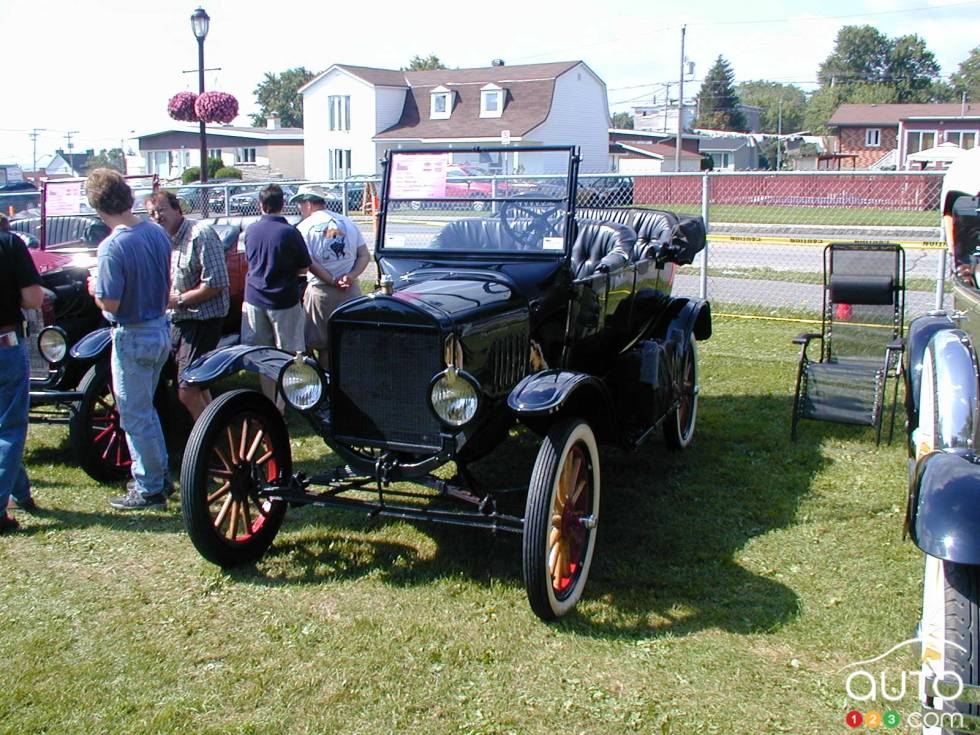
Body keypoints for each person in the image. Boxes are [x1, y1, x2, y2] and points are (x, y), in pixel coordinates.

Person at [88, 169, 172, 510]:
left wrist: (95, 289)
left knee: (135, 415)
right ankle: (158, 474)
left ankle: (150, 486)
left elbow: (110, 303)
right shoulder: (156, 232)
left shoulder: (112, 246)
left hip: (133, 333)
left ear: (98, 207)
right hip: (159, 327)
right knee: (146, 411)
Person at [145, 190, 230, 420]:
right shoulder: (163, 240)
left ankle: (207, 445)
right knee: (193, 383)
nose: (157, 216)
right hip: (177, 320)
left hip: (203, 319)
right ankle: (219, 428)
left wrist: (178, 300)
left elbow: (217, 284)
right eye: (152, 212)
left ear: (177, 209)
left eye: (161, 209)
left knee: (188, 390)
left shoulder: (200, 234)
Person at [241, 185, 311, 408]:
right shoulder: (290, 232)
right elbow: (304, 267)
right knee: (288, 354)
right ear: (283, 204)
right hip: (283, 300)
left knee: (263, 355)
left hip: (254, 298)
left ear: (261, 205)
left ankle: (270, 404)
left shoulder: (251, 230)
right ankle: (283, 405)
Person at [289, 185, 370, 367]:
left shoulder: (303, 228)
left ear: (308, 203)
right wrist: (350, 275)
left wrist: (331, 280)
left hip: (322, 292)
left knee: (324, 344)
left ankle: (327, 382)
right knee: (348, 340)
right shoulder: (348, 223)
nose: (300, 209)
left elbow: (309, 262)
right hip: (351, 290)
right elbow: (364, 255)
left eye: (300, 204)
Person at [0, 213, 43, 533]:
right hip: (5, 343)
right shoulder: (11, 243)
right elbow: (33, 299)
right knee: (10, 427)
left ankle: (21, 492)